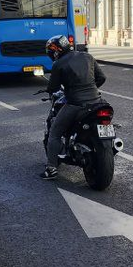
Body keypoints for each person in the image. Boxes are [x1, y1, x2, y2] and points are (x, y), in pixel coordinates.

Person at [41, 34, 106, 181]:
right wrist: (91, 88)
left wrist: (54, 90)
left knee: (54, 133)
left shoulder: (58, 64)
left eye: (52, 51)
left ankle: (51, 168)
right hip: (97, 102)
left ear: (56, 51)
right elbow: (102, 78)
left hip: (75, 104)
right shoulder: (87, 56)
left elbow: (53, 87)